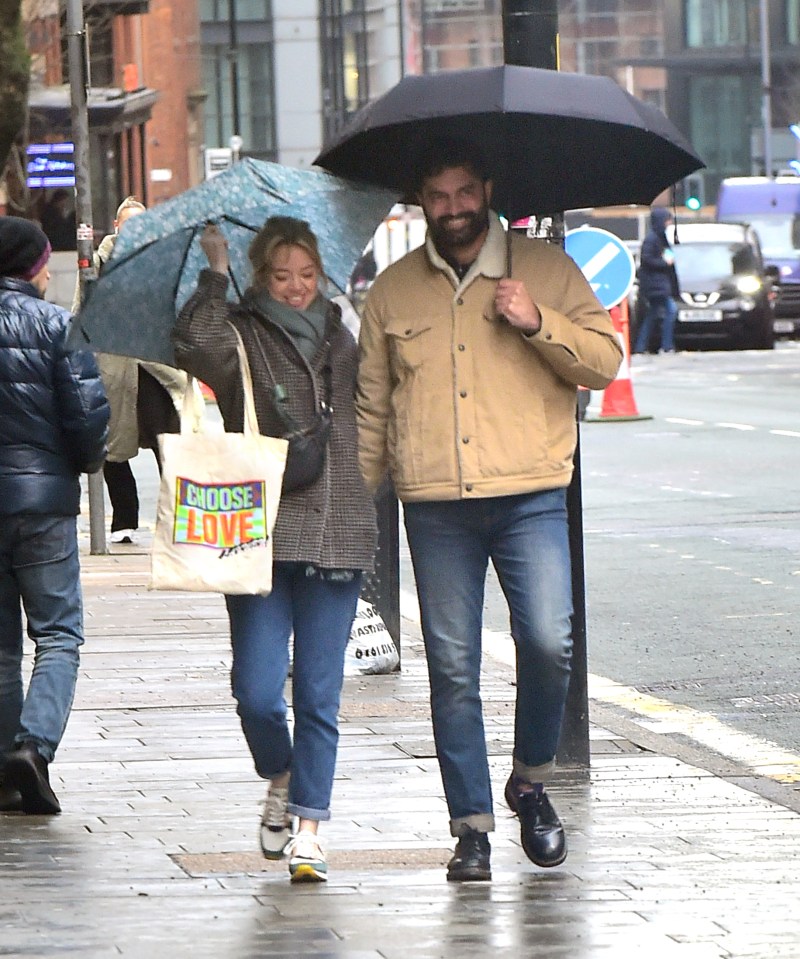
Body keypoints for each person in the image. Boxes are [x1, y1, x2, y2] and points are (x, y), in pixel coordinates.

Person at [356, 138, 623, 882]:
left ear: (487, 188)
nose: (453, 208)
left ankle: (530, 782)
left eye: (464, 191)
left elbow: (604, 363)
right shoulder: (392, 290)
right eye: (438, 197)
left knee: (548, 640)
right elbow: (372, 408)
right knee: (452, 666)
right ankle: (470, 826)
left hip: (532, 492)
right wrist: (354, 513)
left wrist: (539, 320)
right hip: (435, 504)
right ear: (421, 202)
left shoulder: (543, 269)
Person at [171, 216, 377, 884]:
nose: (295, 288)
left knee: (319, 692)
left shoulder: (345, 340)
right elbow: (192, 344)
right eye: (281, 275)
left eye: (307, 275)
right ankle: (281, 774)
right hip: (256, 530)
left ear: (322, 275)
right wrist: (214, 270)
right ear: (262, 276)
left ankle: (310, 828)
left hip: (338, 526)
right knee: (257, 691)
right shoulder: (240, 331)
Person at [0, 216, 109, 815]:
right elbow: (88, 416)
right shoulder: (55, 324)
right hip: (43, 506)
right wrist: (81, 464)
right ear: (32, 266)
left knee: (1, 648)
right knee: (58, 634)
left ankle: (2, 766)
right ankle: (33, 748)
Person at [72, 197, 191, 544]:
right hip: (115, 368)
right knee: (113, 448)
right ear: (117, 227)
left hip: (158, 369)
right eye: (130, 224)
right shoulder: (97, 265)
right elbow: (80, 312)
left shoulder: (166, 260)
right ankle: (124, 521)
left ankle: (178, 521)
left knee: (169, 445)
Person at [633, 207, 680, 355]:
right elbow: (647, 259)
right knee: (671, 311)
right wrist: (665, 263)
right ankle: (666, 346)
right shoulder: (653, 239)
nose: (669, 223)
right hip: (656, 285)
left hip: (658, 285)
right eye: (667, 220)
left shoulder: (659, 238)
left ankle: (641, 347)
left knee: (652, 315)